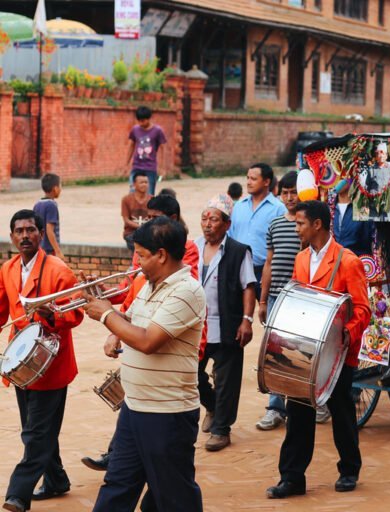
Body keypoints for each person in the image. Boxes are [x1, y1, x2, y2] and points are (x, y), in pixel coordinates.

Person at [81, 217, 205, 511]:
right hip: (135, 408)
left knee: (174, 495)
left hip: (167, 413)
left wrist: (106, 315)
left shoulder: (187, 291)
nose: (136, 262)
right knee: (117, 487)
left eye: (142, 255)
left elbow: (149, 341)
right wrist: (104, 308)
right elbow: (131, 321)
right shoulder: (150, 286)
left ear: (161, 255)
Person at [267, 200, 371, 499]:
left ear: (317, 224)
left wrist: (345, 337)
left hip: (339, 354)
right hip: (306, 351)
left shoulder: (347, 261)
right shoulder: (301, 260)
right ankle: (292, 477)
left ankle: (349, 469)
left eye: (299, 223)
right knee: (298, 411)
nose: (295, 227)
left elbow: (362, 309)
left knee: (341, 410)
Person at [0, 210, 84, 512]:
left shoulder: (59, 271)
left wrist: (54, 315)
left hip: (52, 364)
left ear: (40, 234)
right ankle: (57, 480)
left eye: (31, 230)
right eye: (19, 231)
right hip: (21, 362)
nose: (25, 236)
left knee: (35, 433)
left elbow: (76, 314)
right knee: (37, 427)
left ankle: (18, 493)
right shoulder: (8, 269)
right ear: (12, 237)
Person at [196, 194, 256, 452]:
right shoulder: (192, 247)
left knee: (227, 381)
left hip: (228, 323)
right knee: (193, 375)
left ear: (227, 224)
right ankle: (210, 404)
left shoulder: (238, 251)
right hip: (196, 326)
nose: (208, 224)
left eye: (214, 219)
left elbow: (248, 286)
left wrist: (247, 320)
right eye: (204, 218)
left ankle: (222, 429)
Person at [256, 172, 302, 431]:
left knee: (301, 351)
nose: (289, 197)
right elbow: (268, 264)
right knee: (274, 352)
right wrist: (262, 301)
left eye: (293, 192)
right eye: (284, 193)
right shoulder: (275, 224)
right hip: (275, 297)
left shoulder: (308, 222)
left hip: (301, 299)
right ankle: (275, 407)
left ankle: (304, 403)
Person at [228, 163, 287, 301]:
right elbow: (230, 236)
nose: (248, 182)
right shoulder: (238, 207)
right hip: (239, 268)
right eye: (247, 178)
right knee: (236, 314)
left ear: (266, 181)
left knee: (268, 313)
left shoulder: (279, 209)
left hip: (265, 270)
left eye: (253, 179)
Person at [126, 106, 166, 195]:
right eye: (139, 121)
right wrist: (126, 164)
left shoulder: (157, 131)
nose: (141, 123)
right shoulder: (135, 130)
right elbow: (131, 146)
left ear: (149, 119)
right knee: (133, 193)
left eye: (143, 121)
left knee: (149, 194)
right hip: (136, 166)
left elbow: (163, 149)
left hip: (150, 167)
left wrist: (162, 168)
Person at [333, 180, 375, 256]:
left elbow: (375, 241)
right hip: (333, 265)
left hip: (358, 264)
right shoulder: (328, 208)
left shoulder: (364, 208)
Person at [32, 173, 63, 260]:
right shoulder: (52, 205)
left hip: (38, 249)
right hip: (49, 250)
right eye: (60, 186)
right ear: (55, 189)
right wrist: (58, 251)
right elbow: (49, 229)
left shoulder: (37, 204)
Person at [120, 171, 152, 253]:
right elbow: (126, 220)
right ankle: (135, 265)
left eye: (146, 182)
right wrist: (140, 227)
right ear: (134, 184)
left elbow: (155, 219)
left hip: (148, 232)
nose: (144, 185)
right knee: (138, 246)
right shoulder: (126, 199)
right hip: (131, 232)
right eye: (141, 182)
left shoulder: (153, 200)